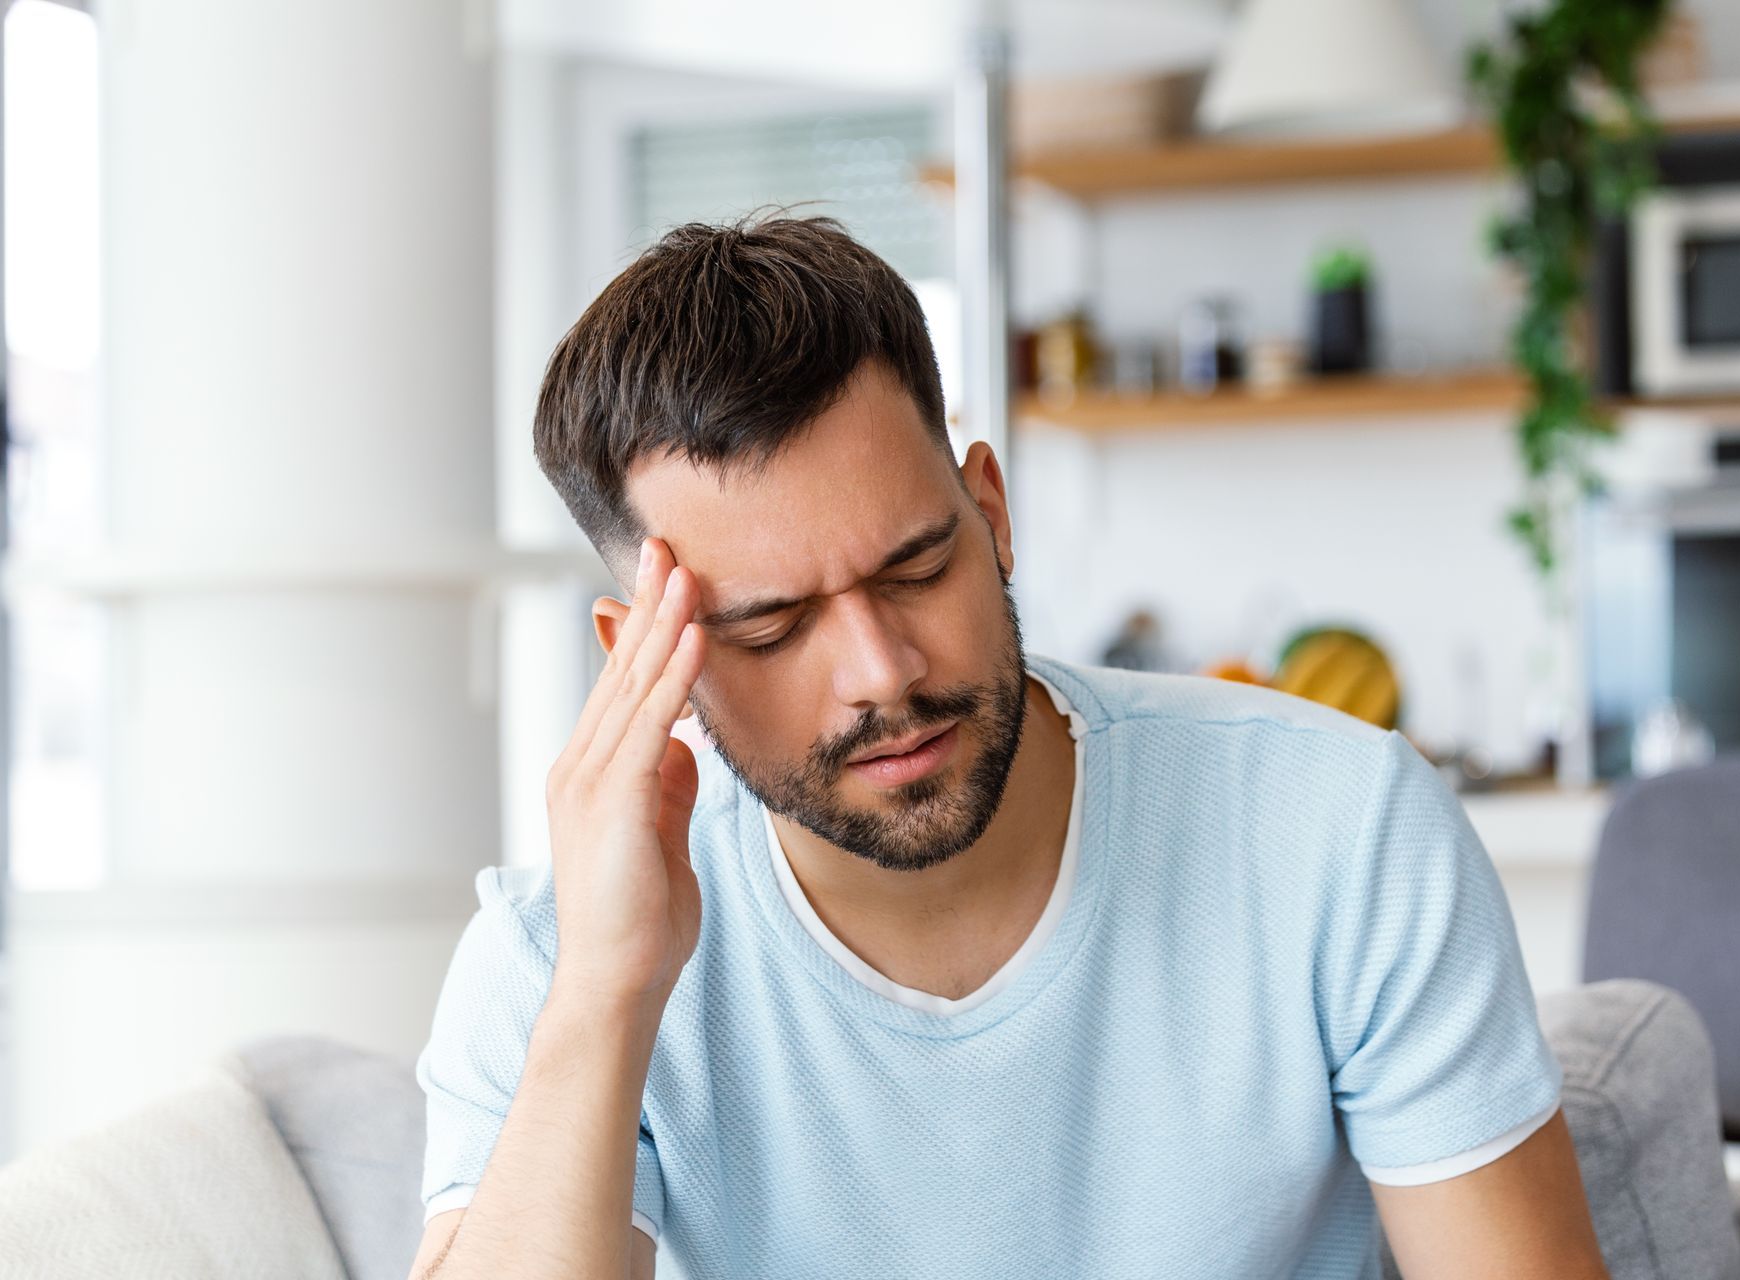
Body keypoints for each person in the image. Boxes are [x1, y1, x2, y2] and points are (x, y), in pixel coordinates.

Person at [406, 213, 1610, 1280]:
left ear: (990, 511)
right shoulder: (551, 964)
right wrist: (609, 990)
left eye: (918, 566)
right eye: (771, 625)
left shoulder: (1342, 829)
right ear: (644, 655)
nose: (882, 672)